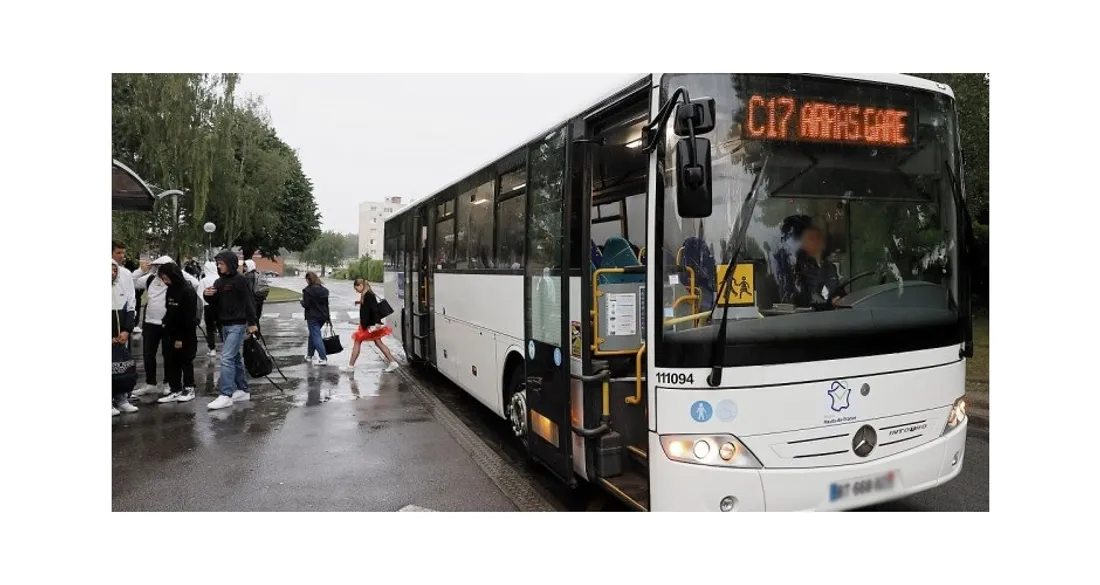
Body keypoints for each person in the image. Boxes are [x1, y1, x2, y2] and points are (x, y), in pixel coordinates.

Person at [204, 250, 259, 410]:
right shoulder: (219, 282)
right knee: (234, 358)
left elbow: (249, 302)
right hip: (224, 324)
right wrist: (207, 295)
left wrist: (252, 322)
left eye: (221, 263)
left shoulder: (240, 280)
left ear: (230, 263)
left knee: (226, 358)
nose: (218, 266)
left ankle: (226, 394)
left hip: (238, 324)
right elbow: (215, 302)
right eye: (218, 264)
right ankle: (243, 390)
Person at [157, 263, 199, 403]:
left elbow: (188, 317)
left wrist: (180, 338)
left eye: (166, 278)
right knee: (171, 361)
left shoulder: (187, 290)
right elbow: (170, 310)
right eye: (162, 279)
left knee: (185, 360)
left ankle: (189, 388)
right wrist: (165, 323)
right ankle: (175, 389)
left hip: (185, 333)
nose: (165, 281)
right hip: (171, 331)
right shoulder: (170, 290)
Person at [341, 279, 400, 373]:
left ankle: (350, 366)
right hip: (370, 323)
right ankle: (392, 362)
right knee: (378, 342)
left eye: (356, 288)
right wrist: (359, 302)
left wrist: (377, 323)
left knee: (358, 341)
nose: (356, 290)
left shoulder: (368, 294)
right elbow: (370, 306)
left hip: (369, 324)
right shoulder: (367, 294)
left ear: (360, 285)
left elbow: (374, 309)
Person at [112, 260, 139, 415]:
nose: (112, 273)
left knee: (122, 369)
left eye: (115, 270)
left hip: (120, 337)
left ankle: (121, 399)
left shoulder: (120, 288)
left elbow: (130, 309)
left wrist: (127, 330)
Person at [301, 271, 330, 366]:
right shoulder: (324, 290)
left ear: (309, 280)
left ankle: (323, 358)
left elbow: (306, 304)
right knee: (312, 335)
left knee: (316, 336)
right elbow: (326, 305)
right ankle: (309, 355)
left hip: (312, 317)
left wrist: (301, 302)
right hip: (323, 316)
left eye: (306, 279)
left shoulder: (307, 291)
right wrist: (328, 317)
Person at [112, 240, 137, 345]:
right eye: (118, 253)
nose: (122, 256)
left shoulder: (126, 273)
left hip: (121, 320)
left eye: (123, 253)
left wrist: (127, 329)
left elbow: (131, 301)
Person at [200, 260, 222, 357]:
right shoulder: (220, 279)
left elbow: (200, 295)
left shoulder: (204, 280)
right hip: (219, 306)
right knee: (221, 326)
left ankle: (212, 348)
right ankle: (226, 345)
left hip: (208, 307)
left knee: (209, 329)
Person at [244, 259, 270, 326]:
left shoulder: (248, 276)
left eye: (245, 266)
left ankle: (253, 335)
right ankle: (257, 334)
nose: (244, 268)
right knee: (256, 319)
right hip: (259, 299)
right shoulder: (258, 273)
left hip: (252, 301)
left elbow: (248, 290)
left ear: (249, 266)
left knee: (251, 320)